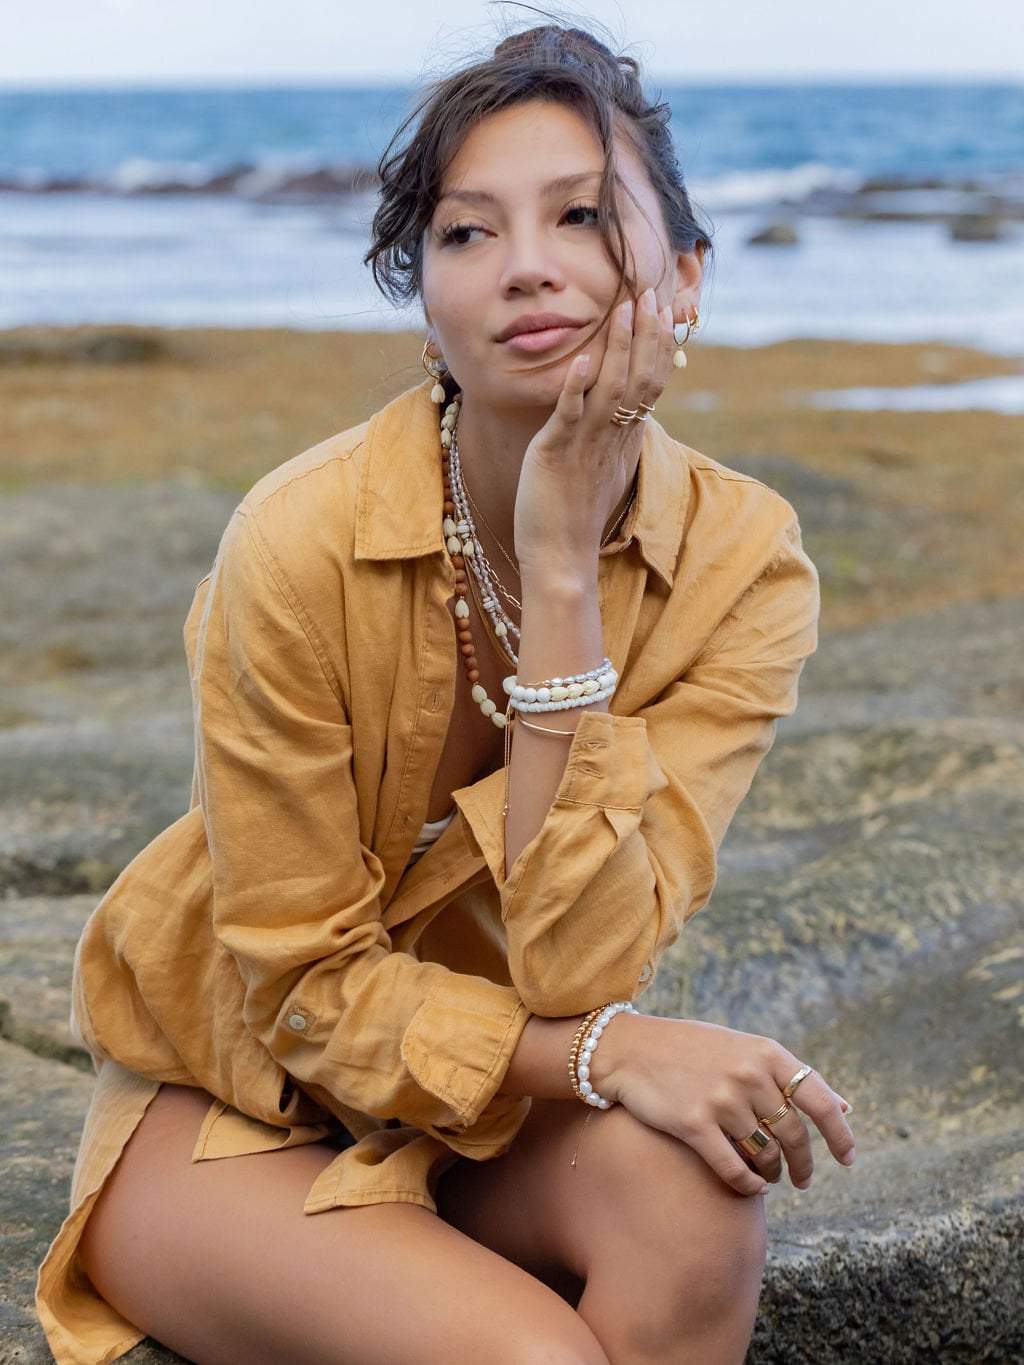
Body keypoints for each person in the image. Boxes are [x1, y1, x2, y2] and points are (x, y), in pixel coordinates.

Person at [35, 15, 854, 1365]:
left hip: (492, 1116)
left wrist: (563, 571)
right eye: (468, 234)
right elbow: (302, 984)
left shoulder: (745, 564)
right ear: (429, 295)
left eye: (582, 216)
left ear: (687, 277)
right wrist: (610, 1055)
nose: (525, 268)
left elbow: (580, 965)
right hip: (242, 1104)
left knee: (705, 1208)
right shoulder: (298, 538)